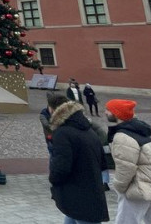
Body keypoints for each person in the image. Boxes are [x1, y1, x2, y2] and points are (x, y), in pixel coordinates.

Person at [106, 99, 151, 223]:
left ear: (116, 114)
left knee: (126, 221)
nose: (105, 112)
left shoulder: (122, 136)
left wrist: (119, 186)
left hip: (138, 186)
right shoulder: (139, 132)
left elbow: (126, 167)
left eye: (108, 110)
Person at [48, 94, 109, 224]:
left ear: (52, 109)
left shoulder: (63, 133)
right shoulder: (87, 129)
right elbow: (102, 160)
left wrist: (53, 178)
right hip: (91, 188)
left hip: (77, 192)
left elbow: (61, 166)